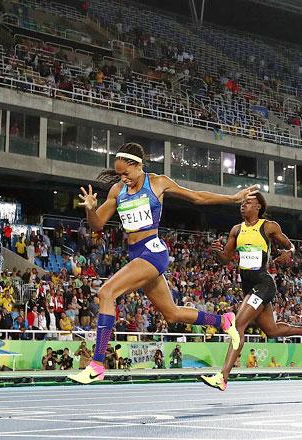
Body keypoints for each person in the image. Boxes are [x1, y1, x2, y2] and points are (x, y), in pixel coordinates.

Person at [69, 142, 255, 384]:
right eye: (119, 174)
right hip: (136, 256)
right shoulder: (117, 191)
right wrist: (90, 210)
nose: (123, 178)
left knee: (106, 293)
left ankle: (97, 364)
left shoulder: (157, 182)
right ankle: (223, 320)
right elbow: (97, 225)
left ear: (138, 165)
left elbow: (197, 198)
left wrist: (232, 198)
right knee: (172, 314)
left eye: (126, 173)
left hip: (153, 252)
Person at [200, 193, 302, 391]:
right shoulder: (236, 230)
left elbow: (290, 245)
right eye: (241, 203)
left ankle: (223, 377)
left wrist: (288, 253)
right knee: (271, 331)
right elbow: (226, 259)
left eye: (248, 203)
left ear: (258, 206)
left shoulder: (268, 226)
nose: (243, 206)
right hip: (248, 287)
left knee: (238, 324)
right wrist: (217, 251)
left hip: (264, 284)